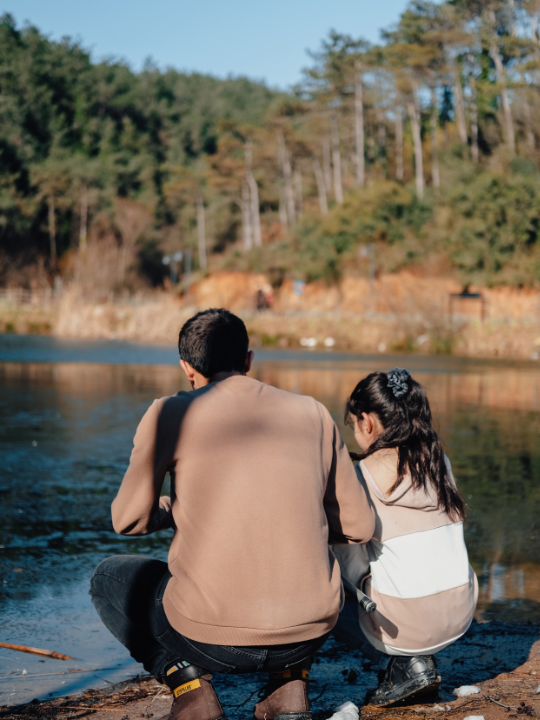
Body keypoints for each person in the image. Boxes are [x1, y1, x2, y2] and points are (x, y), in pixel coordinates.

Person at [89, 308, 375, 720]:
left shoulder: (170, 412)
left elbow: (128, 519)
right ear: (248, 360)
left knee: (108, 579)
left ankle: (192, 691)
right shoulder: (313, 412)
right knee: (299, 571)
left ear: (186, 368)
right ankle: (289, 689)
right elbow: (360, 526)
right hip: (308, 633)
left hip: (210, 640)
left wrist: (176, 509)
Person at [332, 368, 477, 707]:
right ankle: (413, 657)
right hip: (460, 611)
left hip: (406, 626)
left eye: (352, 424)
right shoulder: (439, 462)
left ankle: (403, 662)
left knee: (327, 574)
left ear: (367, 421)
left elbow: (349, 561)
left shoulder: (363, 474)